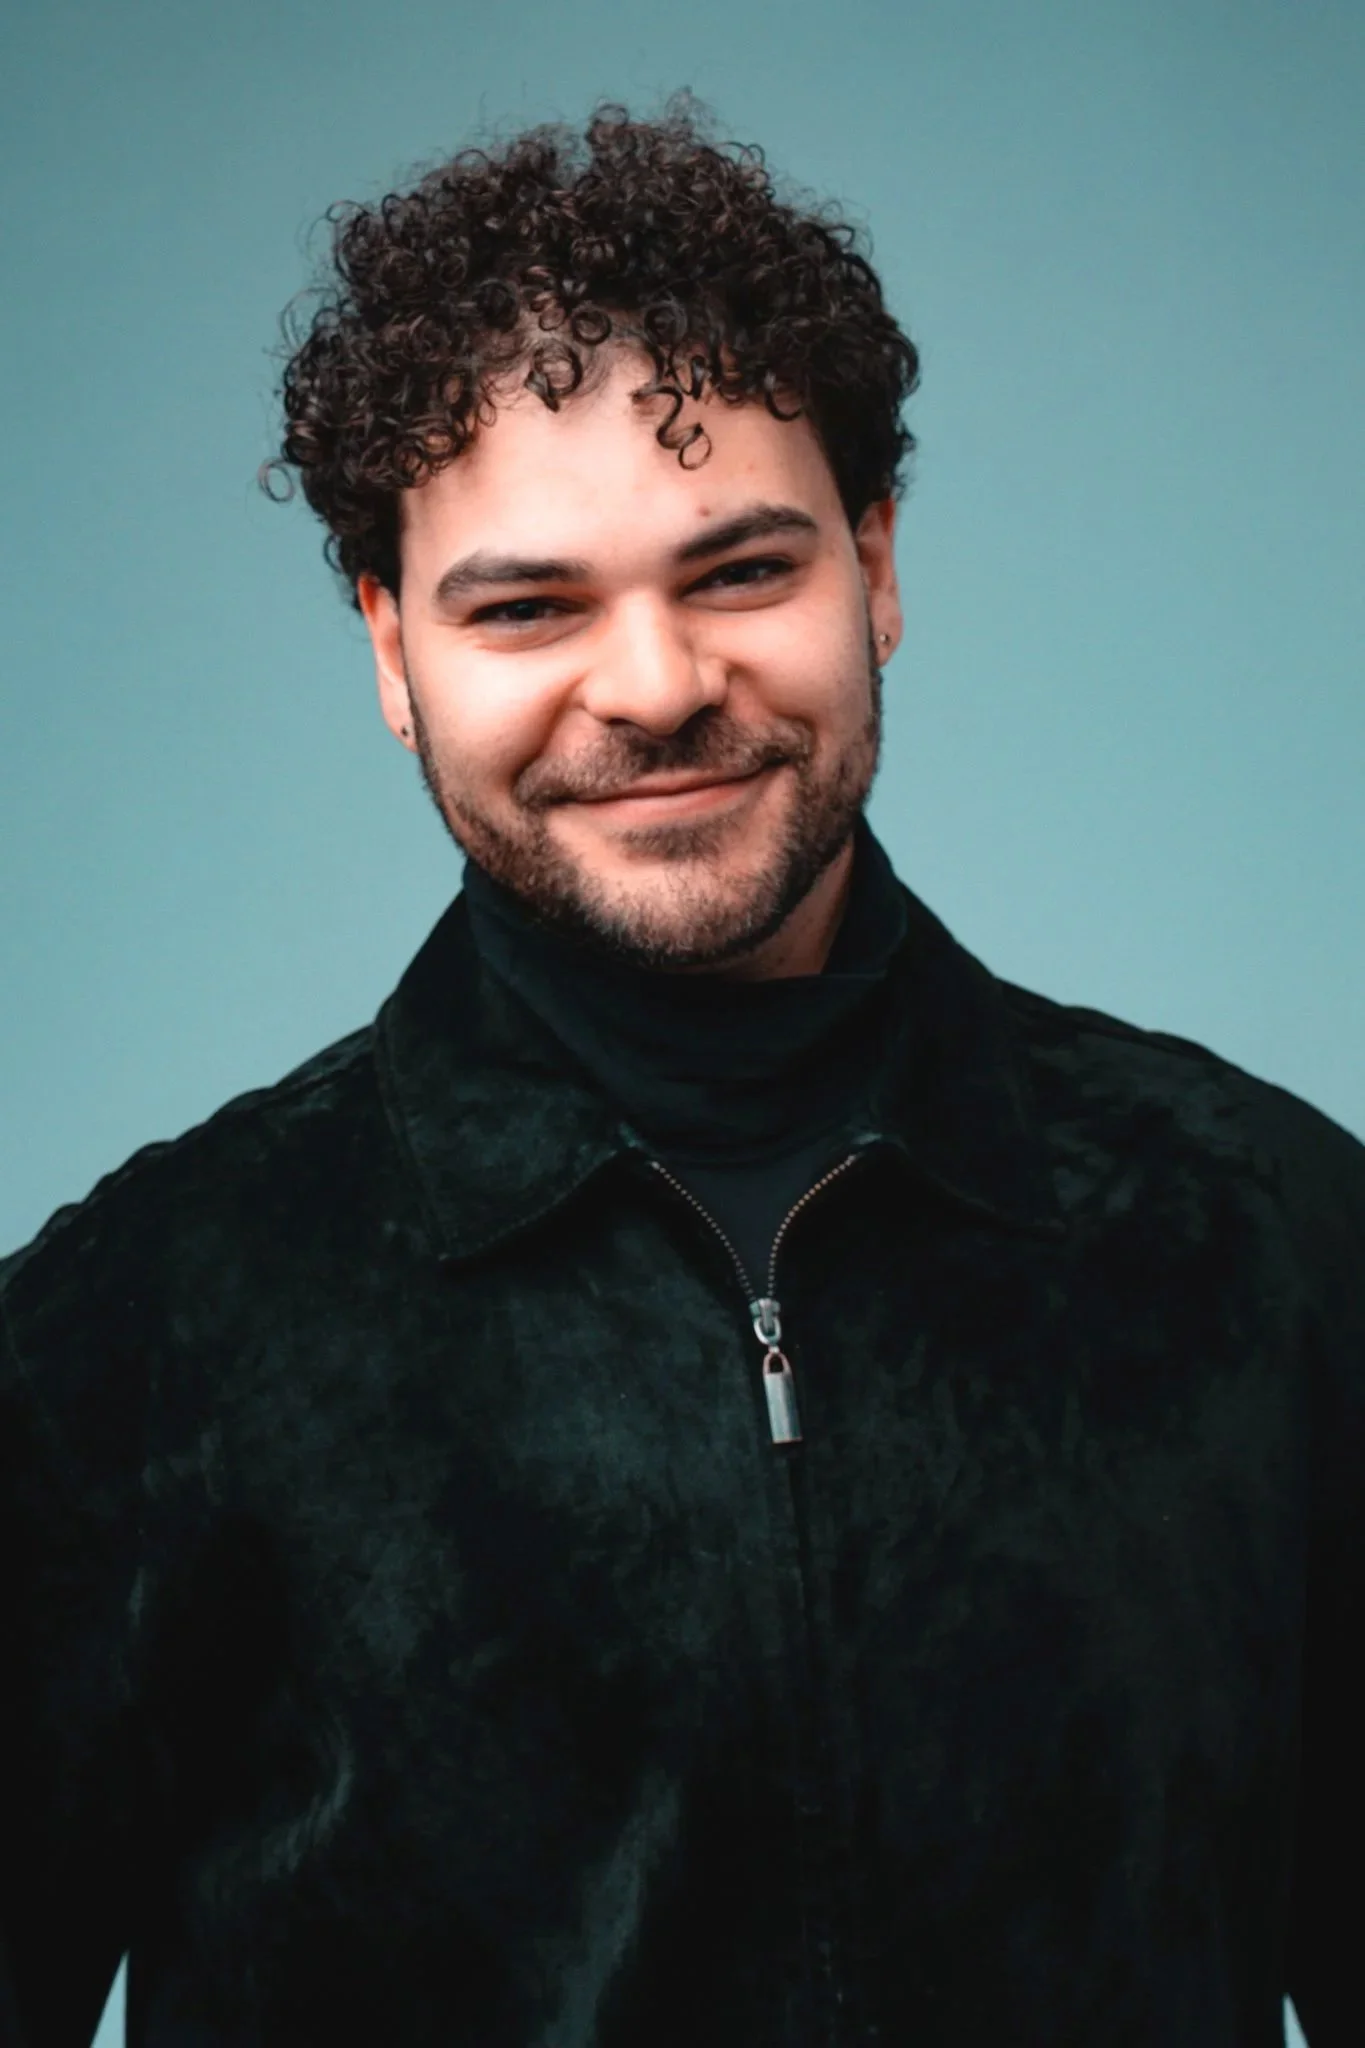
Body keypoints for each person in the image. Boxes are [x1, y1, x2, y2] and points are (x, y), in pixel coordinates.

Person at [2, 93, 1361, 2048]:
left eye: (737, 573)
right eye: (526, 606)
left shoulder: (1274, 1238)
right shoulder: (123, 1344)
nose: (650, 686)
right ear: (390, 649)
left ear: (873, 567)